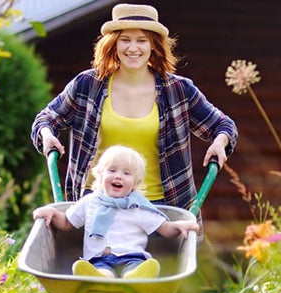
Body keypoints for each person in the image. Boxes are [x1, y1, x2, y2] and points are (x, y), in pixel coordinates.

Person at [31, 3, 237, 213]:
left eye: (141, 40)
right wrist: (47, 136)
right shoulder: (88, 84)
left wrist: (220, 143)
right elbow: (46, 119)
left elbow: (223, 125)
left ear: (153, 46)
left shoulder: (177, 90)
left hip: (159, 207)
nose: (132, 48)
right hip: (96, 202)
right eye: (125, 40)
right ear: (113, 44)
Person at [32, 145, 200, 279]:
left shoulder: (137, 206)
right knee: (102, 272)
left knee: (133, 270)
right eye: (112, 170)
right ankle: (98, 278)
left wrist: (179, 225)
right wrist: (52, 213)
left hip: (132, 257)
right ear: (99, 174)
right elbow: (67, 222)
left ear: (135, 183)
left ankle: (136, 278)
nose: (118, 176)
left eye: (126, 173)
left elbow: (164, 228)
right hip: (98, 259)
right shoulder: (91, 201)